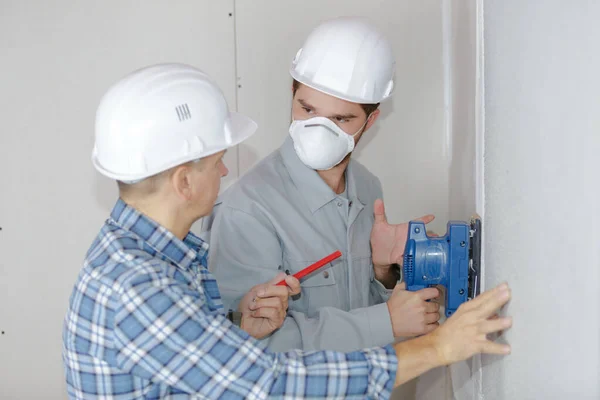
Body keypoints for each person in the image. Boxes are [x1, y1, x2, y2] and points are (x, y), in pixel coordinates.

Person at [63, 63, 512, 399]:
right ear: (183, 181)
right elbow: (269, 382)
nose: (224, 170)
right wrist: (436, 349)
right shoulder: (138, 286)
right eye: (217, 160)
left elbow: (192, 361)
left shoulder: (156, 257)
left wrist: (241, 326)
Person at [207, 16, 440, 352]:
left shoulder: (367, 188)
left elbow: (357, 309)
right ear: (292, 93)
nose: (318, 130)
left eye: (340, 119)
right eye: (307, 109)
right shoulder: (247, 209)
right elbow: (250, 343)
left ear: (370, 121)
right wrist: (386, 321)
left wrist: (382, 273)